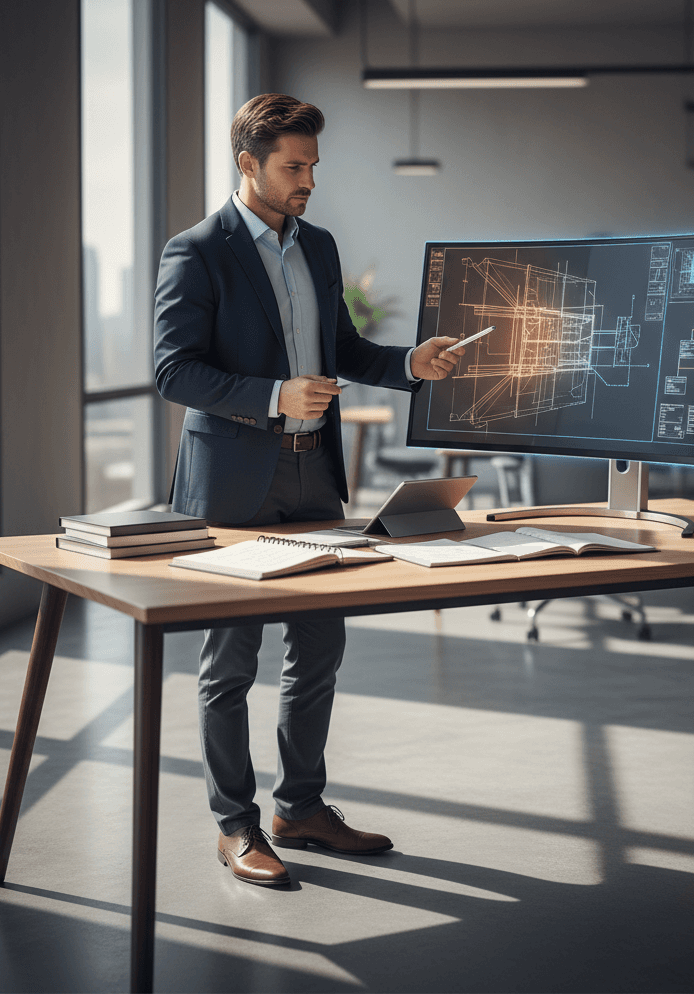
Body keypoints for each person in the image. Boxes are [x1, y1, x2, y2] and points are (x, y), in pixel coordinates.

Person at [153, 93, 463, 887]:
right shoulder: (196, 251)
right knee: (231, 662)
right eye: (294, 166)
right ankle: (236, 825)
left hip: (314, 473)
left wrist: (409, 366)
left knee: (319, 646)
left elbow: (348, 350)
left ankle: (301, 806)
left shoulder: (318, 248)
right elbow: (172, 371)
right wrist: (270, 395)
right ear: (248, 164)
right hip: (233, 482)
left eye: (314, 165)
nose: (308, 181)